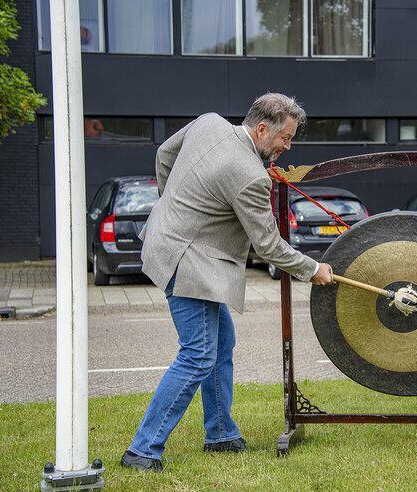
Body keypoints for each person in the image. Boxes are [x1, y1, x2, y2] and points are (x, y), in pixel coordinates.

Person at [121, 93, 333, 472]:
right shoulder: (250, 177)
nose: (288, 146)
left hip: (169, 242)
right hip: (190, 264)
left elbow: (164, 156)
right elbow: (268, 245)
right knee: (198, 354)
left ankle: (220, 433)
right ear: (263, 128)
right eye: (286, 138)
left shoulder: (209, 122)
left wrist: (175, 205)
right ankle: (143, 450)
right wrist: (312, 269)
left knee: (221, 343)